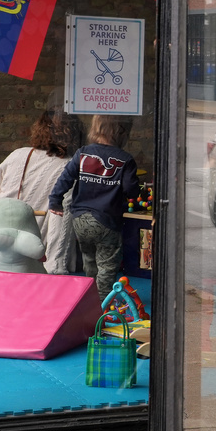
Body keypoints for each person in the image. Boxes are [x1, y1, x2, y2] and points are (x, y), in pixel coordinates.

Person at [48, 115, 140, 301]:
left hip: (80, 219)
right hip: (106, 220)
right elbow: (131, 190)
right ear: (121, 132)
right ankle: (102, 302)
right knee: (107, 263)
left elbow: (65, 178)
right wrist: (133, 195)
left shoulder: (82, 153)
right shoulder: (125, 159)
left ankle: (89, 297)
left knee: (89, 260)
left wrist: (55, 200)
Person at [0, 108, 84, 274]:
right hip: (40, 258)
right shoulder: (71, 167)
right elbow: (63, 217)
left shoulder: (17, 155)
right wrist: (57, 263)